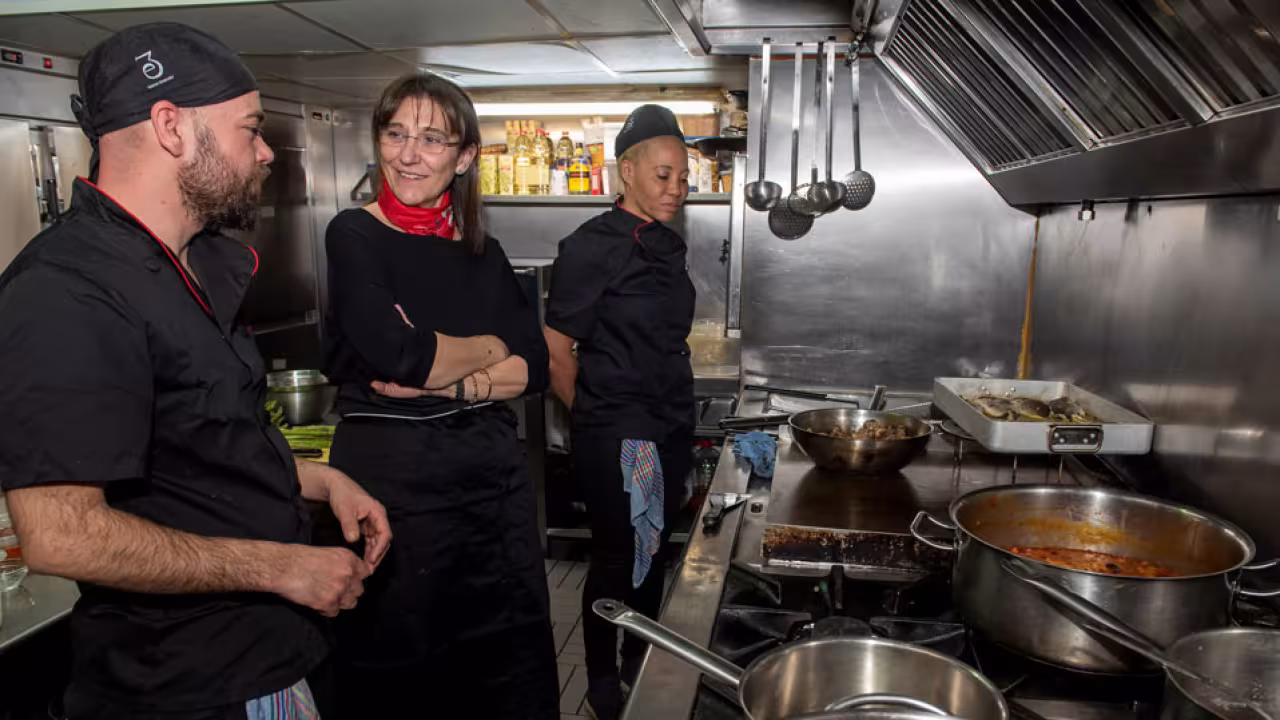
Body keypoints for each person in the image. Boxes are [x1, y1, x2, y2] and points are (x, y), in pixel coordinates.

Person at [0, 23, 392, 720]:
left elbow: (199, 447)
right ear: (172, 127)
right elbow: (62, 533)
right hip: (186, 686)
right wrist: (281, 566)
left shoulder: (194, 263)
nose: (266, 151)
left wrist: (316, 479)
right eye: (249, 129)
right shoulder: (66, 288)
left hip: (271, 655)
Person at [320, 72, 558, 719]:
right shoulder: (354, 235)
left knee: (502, 665)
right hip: (393, 486)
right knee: (399, 670)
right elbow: (397, 354)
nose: (407, 154)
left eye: (431, 139)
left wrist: (453, 367)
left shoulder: (484, 250)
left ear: (465, 156)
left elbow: (534, 366)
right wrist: (489, 351)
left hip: (490, 488)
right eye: (395, 134)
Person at [544, 104, 696, 720]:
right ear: (626, 171)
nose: (675, 189)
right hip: (621, 430)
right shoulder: (589, 247)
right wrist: (599, 420)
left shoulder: (668, 244)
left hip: (669, 425)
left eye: (683, 179)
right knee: (617, 556)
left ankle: (643, 660)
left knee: (653, 552)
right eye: (663, 176)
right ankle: (603, 681)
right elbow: (556, 350)